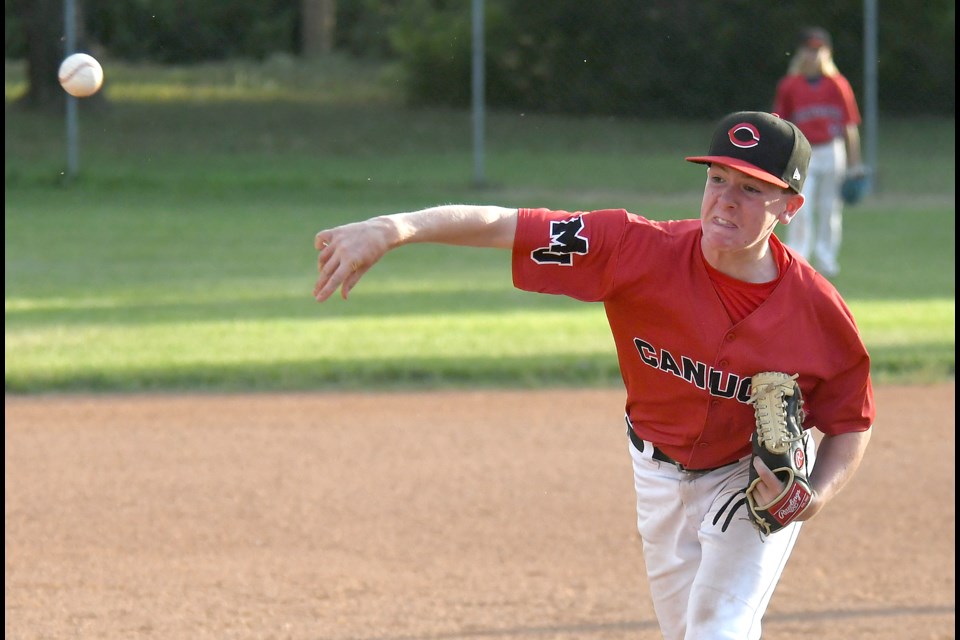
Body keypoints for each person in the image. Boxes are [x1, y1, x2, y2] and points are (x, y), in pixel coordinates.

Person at [312, 111, 875, 639]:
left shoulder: (817, 310)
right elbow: (505, 226)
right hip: (656, 474)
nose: (725, 202)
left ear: (791, 206)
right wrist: (395, 227)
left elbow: (850, 419)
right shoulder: (633, 248)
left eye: (751, 189)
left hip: (748, 477)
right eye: (717, 180)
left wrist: (814, 497)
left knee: (717, 631)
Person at [773, 26, 865, 277]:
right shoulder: (790, 85)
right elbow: (782, 124)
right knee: (799, 207)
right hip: (803, 153)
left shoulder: (838, 84)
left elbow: (849, 127)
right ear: (800, 52)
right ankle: (798, 257)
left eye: (818, 50)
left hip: (833, 151)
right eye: (809, 50)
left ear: (827, 53)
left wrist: (855, 164)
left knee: (830, 210)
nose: (813, 55)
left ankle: (827, 260)